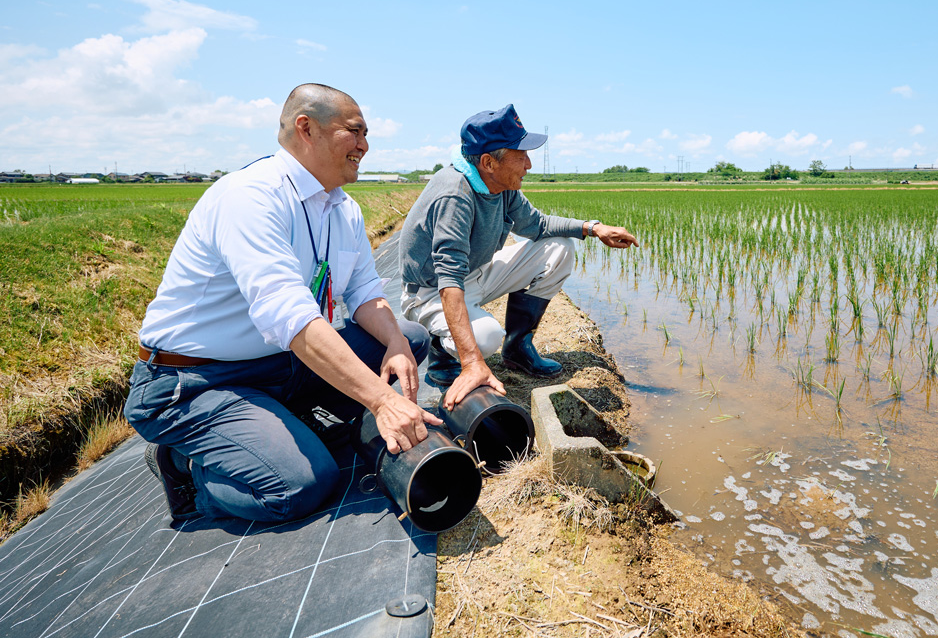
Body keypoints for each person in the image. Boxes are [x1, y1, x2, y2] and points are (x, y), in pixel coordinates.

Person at [125, 83, 439, 523]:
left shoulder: (343, 209)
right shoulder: (250, 197)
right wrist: (381, 403)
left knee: (408, 339)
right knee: (301, 486)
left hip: (278, 363)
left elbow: (365, 291)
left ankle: (282, 421)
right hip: (196, 381)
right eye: (355, 132)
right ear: (306, 128)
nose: (365, 146)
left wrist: (396, 346)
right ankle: (184, 467)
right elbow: (289, 316)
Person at [390, 104, 638, 410]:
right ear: (488, 162)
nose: (529, 164)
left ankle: (518, 347)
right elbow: (449, 281)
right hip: (431, 291)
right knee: (486, 338)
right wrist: (472, 364)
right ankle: (442, 352)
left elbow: (536, 225)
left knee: (559, 247)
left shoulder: (499, 184)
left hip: (476, 274)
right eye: (520, 156)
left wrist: (593, 228)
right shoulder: (455, 196)